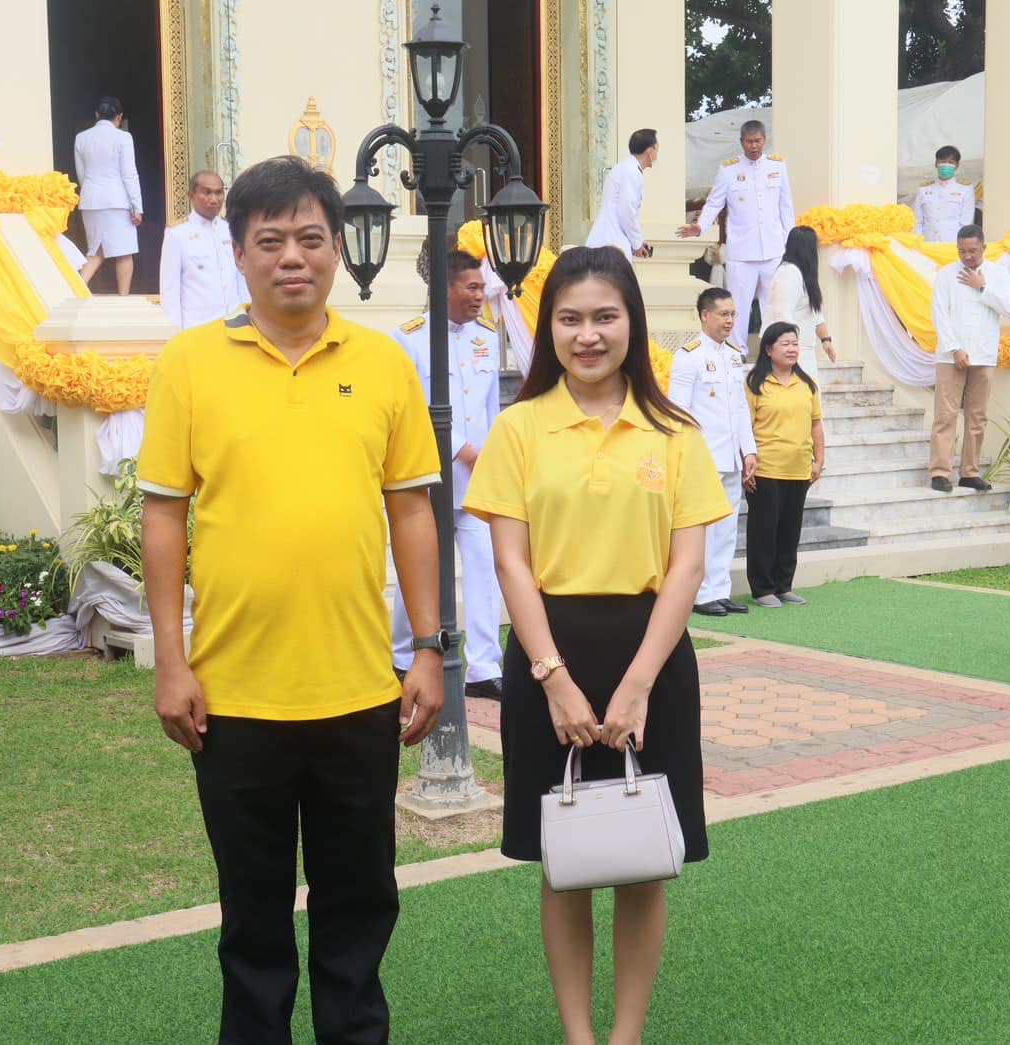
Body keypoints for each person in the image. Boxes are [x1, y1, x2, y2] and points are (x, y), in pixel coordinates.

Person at [138, 156, 445, 1044]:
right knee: (253, 921)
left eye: (310, 238)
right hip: (231, 698)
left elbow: (412, 511)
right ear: (237, 253)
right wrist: (171, 656)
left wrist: (428, 646)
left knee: (358, 910)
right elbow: (165, 518)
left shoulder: (382, 363)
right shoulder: (191, 365)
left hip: (357, 691)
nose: (292, 258)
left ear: (337, 248)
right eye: (269, 241)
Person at [461, 246, 727, 1045]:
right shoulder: (517, 427)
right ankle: (578, 1034)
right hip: (550, 655)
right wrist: (551, 678)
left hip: (652, 656)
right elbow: (510, 560)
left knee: (645, 852)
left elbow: (688, 564)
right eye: (569, 318)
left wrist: (641, 681)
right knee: (564, 853)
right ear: (549, 328)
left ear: (631, 323)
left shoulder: (675, 431)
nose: (587, 335)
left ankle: (625, 1034)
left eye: (604, 316)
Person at [389, 250, 505, 700]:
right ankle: (403, 655)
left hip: (479, 475)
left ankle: (482, 666)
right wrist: (460, 448)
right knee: (419, 567)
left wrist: (494, 450)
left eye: (482, 287)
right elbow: (413, 404)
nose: (480, 296)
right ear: (445, 288)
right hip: (431, 472)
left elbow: (491, 403)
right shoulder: (409, 337)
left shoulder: (487, 336)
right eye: (471, 288)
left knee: (483, 568)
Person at [668, 287, 756, 617]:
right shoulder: (688, 356)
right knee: (703, 528)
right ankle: (700, 592)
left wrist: (749, 450)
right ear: (705, 315)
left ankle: (720, 589)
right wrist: (687, 455)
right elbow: (679, 411)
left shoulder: (734, 356)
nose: (730, 320)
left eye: (733, 314)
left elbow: (740, 409)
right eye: (724, 314)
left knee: (728, 525)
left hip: (731, 456)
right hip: (703, 456)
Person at [676, 119, 794, 347]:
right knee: (738, 306)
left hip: (773, 249)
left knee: (774, 305)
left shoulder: (777, 167)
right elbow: (714, 203)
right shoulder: (729, 170)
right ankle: (736, 351)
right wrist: (700, 226)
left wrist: (790, 244)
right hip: (742, 251)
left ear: (764, 140)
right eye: (749, 142)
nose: (754, 146)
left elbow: (786, 208)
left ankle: (775, 348)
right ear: (741, 142)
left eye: (758, 141)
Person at [929, 224, 1010, 493]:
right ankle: (940, 472)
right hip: (950, 355)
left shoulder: (998, 274)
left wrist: (983, 288)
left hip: (984, 354)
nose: (967, 256)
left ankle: (970, 471)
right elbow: (939, 315)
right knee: (945, 415)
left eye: (972, 250)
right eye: (962, 251)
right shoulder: (946, 276)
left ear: (983, 248)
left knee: (978, 416)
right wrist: (954, 348)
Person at [743, 322, 825, 608]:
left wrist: (819, 459)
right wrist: (746, 463)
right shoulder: (755, 383)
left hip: (798, 468)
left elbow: (816, 423)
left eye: (795, 344)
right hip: (765, 469)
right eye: (785, 344)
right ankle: (762, 588)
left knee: (790, 530)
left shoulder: (807, 384)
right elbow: (745, 426)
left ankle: (783, 585)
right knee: (763, 531)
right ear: (769, 349)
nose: (792, 349)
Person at [159, 169, 249, 329]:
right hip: (198, 327)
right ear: (191, 196)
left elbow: (242, 279)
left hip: (233, 323)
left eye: (219, 193)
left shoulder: (230, 229)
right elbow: (170, 291)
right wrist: (175, 332)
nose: (214, 199)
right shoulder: (177, 233)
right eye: (206, 193)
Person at [75, 97, 144, 295]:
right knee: (123, 253)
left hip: (90, 201)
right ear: (119, 118)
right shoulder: (123, 138)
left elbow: (82, 174)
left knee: (96, 252)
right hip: (117, 202)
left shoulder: (81, 138)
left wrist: (91, 192)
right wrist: (137, 206)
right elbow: (129, 175)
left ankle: (75, 290)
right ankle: (123, 299)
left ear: (97, 115)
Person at [764, 225, 836, 373]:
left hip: (804, 348)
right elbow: (783, 316)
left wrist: (825, 340)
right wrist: (791, 348)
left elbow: (815, 313)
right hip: (789, 351)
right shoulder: (788, 273)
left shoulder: (804, 274)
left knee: (812, 394)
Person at [586, 129, 659, 259]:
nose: (657, 155)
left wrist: (638, 241)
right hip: (611, 241)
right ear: (649, 151)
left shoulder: (627, 168)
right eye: (656, 150)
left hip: (612, 239)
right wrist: (637, 243)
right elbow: (626, 211)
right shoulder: (631, 171)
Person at [913, 145, 977, 243]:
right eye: (942, 161)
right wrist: (918, 243)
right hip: (927, 243)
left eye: (951, 162)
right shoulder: (923, 189)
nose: (946, 165)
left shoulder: (965, 189)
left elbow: (966, 223)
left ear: (957, 165)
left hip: (953, 244)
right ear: (936, 164)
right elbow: (917, 221)